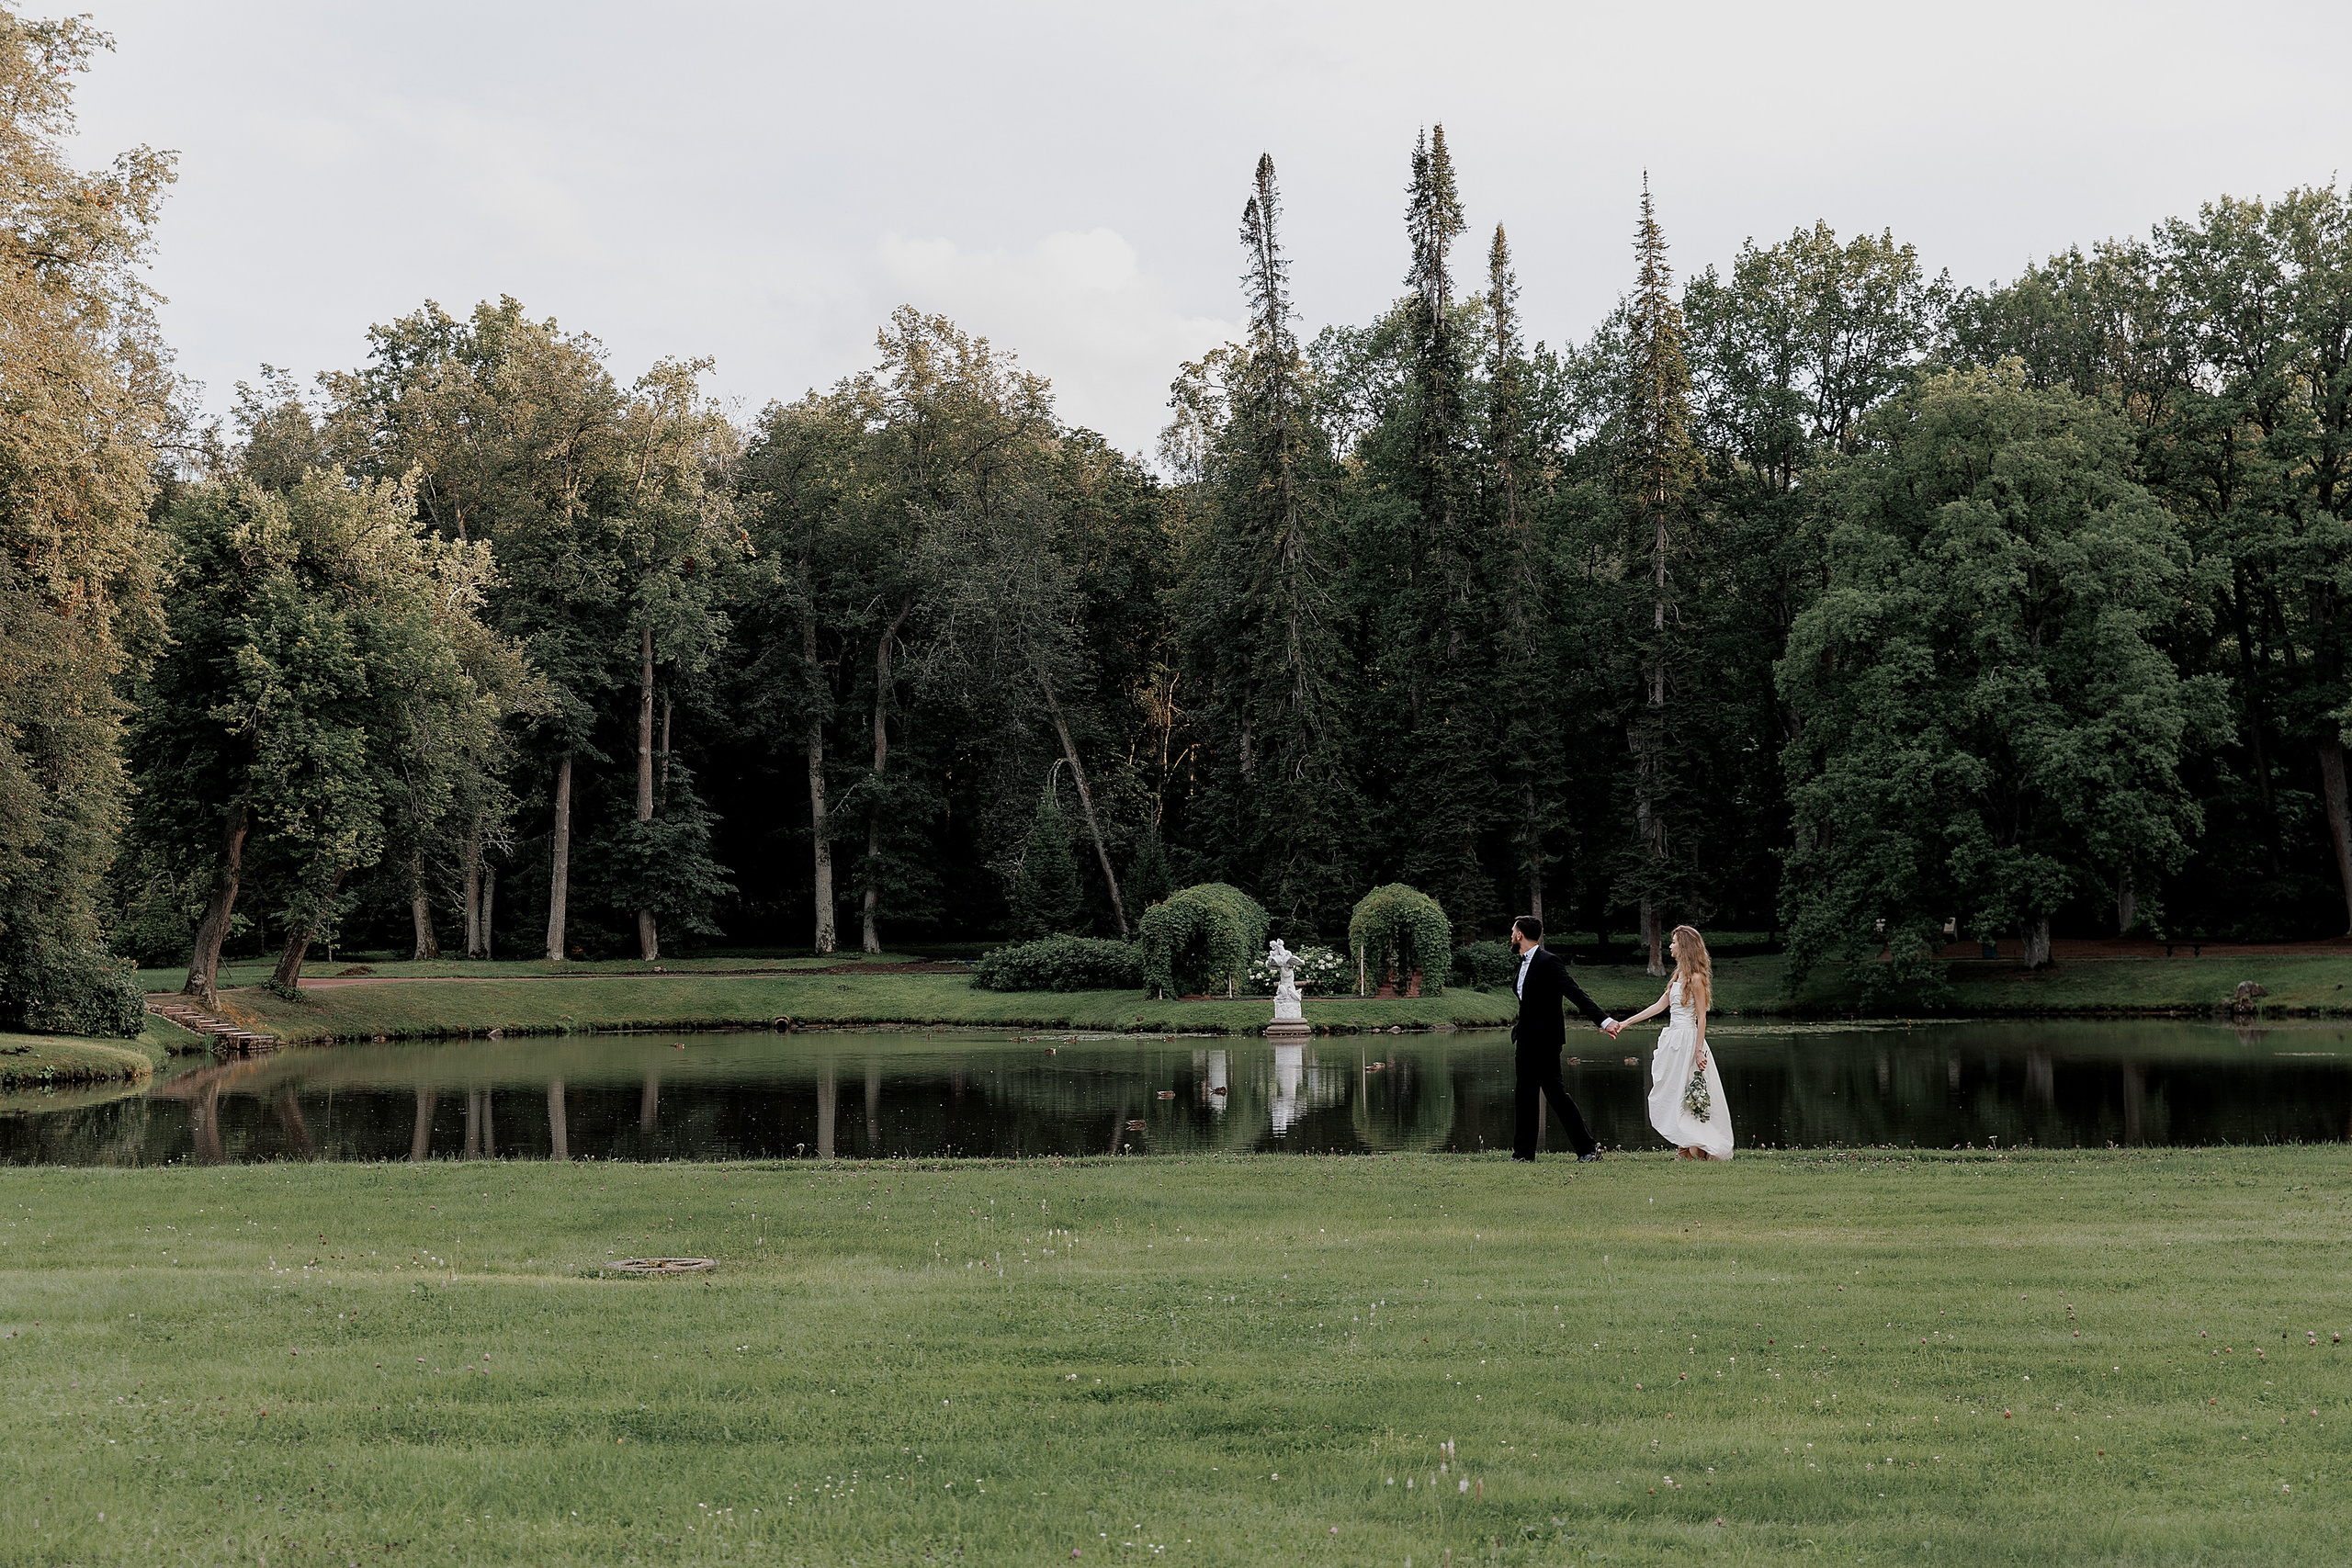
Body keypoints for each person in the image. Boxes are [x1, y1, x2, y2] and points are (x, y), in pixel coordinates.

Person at [1506, 914, 1621, 1161]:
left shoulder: (1549, 961)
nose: (1511, 936)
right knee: (1524, 1095)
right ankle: (1523, 1154)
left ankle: (1588, 1150)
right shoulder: (1522, 963)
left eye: (1512, 931)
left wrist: (1604, 1020)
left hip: (1546, 1040)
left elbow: (1574, 992)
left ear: (1519, 935)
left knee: (1556, 1095)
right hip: (1525, 1038)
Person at [1616, 924, 1734, 1160]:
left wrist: (1699, 1051)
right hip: (1673, 1039)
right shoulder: (1678, 975)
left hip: (1689, 1041)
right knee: (1673, 1090)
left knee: (1689, 1090)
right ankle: (1687, 1147)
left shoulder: (1696, 978)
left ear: (1685, 947)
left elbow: (1701, 1017)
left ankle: (1688, 1149)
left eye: (1674, 942)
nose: (1670, 946)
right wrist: (1625, 1023)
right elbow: (1659, 1006)